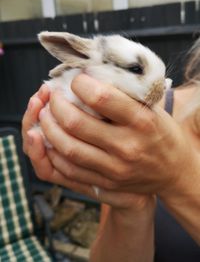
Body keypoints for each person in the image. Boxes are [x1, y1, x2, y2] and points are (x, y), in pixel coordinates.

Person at [22, 37, 200, 261]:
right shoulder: (142, 121)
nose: (164, 86)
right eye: (136, 69)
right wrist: (130, 201)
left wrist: (177, 178)